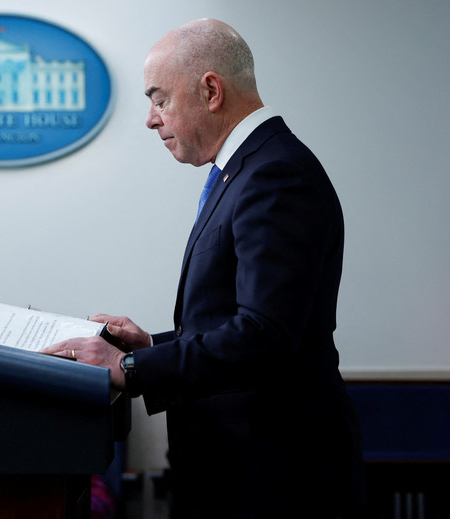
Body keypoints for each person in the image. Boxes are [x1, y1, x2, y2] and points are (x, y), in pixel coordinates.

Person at [42, 18, 366, 519]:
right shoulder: (245, 170)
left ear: (211, 90)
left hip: (274, 477)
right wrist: (153, 346)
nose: (151, 119)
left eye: (159, 99)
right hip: (238, 467)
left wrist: (127, 370)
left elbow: (264, 336)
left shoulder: (276, 174)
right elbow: (233, 322)